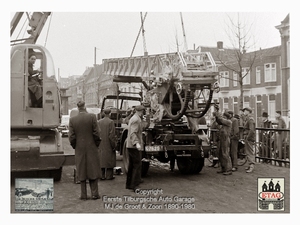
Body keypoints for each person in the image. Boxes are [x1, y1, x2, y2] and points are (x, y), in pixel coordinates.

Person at [69, 101, 101, 200]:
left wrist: (75, 146)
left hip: (79, 148)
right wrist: (96, 144)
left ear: (78, 108)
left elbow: (71, 137)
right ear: (85, 106)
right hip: (91, 147)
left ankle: (83, 195)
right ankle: (94, 193)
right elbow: (97, 133)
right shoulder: (92, 117)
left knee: (81, 169)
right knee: (93, 169)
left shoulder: (72, 120)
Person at [126, 105, 150, 191]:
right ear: (139, 111)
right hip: (133, 146)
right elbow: (133, 133)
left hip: (130, 145)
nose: (143, 113)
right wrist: (137, 143)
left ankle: (129, 184)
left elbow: (141, 128)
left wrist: (147, 121)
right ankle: (135, 185)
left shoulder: (135, 118)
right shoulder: (136, 119)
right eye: (143, 111)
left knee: (132, 165)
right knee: (137, 165)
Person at [98, 108, 117, 180]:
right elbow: (111, 135)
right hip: (108, 144)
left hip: (101, 143)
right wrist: (113, 145)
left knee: (101, 159)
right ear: (110, 114)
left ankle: (101, 175)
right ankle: (109, 176)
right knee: (109, 159)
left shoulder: (99, 122)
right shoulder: (111, 122)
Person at [213, 111, 232, 175]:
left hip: (225, 139)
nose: (223, 118)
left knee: (225, 154)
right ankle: (223, 168)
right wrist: (216, 116)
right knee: (220, 154)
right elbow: (219, 121)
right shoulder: (223, 124)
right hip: (221, 139)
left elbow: (220, 120)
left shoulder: (228, 122)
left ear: (226, 117)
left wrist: (217, 113)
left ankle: (228, 169)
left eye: (224, 117)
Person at [242, 107, 256, 173]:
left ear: (248, 111)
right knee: (247, 152)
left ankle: (251, 166)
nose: (244, 112)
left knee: (249, 152)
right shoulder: (247, 118)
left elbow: (252, 130)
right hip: (247, 137)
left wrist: (248, 137)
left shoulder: (250, 119)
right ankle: (249, 164)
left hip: (249, 138)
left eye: (245, 111)